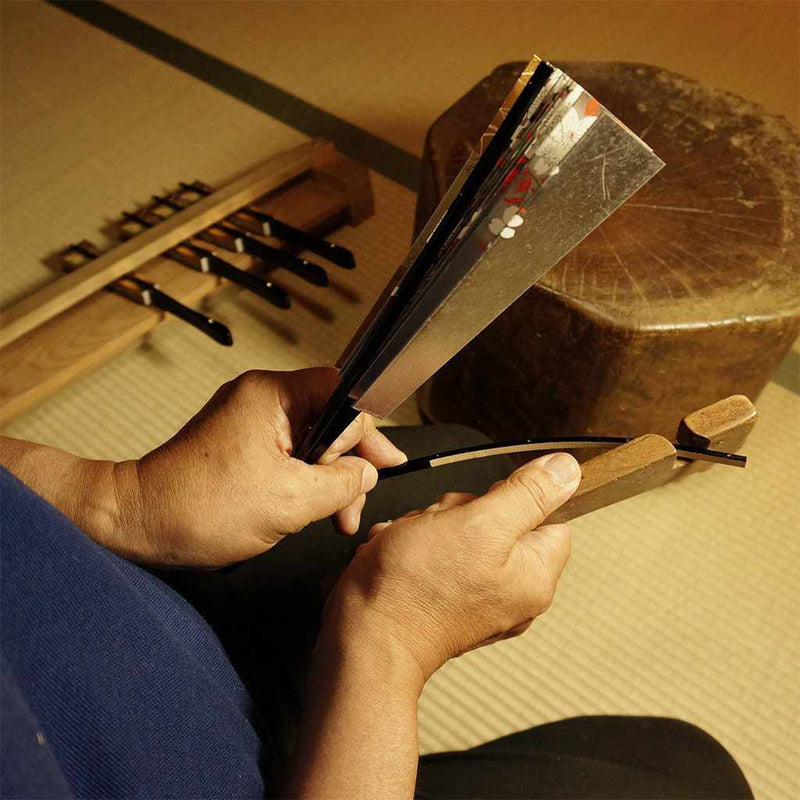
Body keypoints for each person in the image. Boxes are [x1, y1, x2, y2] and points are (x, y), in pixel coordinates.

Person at [1, 368, 752, 799]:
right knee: (694, 779)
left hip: (134, 615)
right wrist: (385, 652)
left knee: (463, 460)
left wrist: (117, 499)